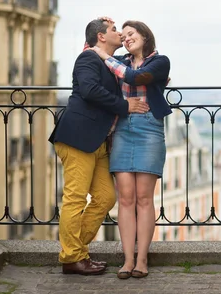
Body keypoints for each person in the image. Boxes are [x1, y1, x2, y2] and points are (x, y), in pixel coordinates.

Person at [49, 18, 149, 276]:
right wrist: (124, 106)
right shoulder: (88, 59)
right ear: (101, 37)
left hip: (98, 143)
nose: (120, 34)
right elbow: (90, 89)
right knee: (75, 198)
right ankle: (73, 257)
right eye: (115, 30)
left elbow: (137, 67)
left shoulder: (108, 61)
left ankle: (75, 251)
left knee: (106, 197)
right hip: (78, 139)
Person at [91, 20, 171, 279]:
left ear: (145, 35)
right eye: (122, 35)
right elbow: (90, 46)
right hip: (123, 129)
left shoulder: (160, 62)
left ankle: (143, 260)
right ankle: (127, 260)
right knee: (125, 198)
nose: (125, 38)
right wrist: (105, 24)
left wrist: (105, 55)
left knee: (144, 198)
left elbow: (135, 78)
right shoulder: (121, 62)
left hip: (149, 129)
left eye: (130, 34)